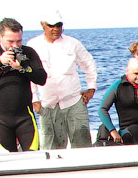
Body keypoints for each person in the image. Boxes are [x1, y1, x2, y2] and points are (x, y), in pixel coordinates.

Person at [0, 17, 48, 152]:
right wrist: (0, 60)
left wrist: (23, 69)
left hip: (25, 117)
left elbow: (42, 78)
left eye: (19, 41)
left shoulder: (28, 52)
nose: (15, 45)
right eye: (10, 41)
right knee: (7, 156)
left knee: (33, 154)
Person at [27, 10, 98, 149]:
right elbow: (29, 74)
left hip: (74, 102)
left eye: (59, 25)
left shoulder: (73, 43)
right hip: (48, 104)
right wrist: (34, 98)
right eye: (51, 25)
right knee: (52, 148)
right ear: (43, 25)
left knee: (82, 145)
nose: (55, 29)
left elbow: (89, 64)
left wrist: (91, 89)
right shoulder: (32, 45)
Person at [95, 58, 138, 145]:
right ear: (127, 71)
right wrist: (113, 131)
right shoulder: (117, 86)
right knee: (135, 131)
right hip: (127, 129)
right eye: (136, 73)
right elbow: (102, 109)